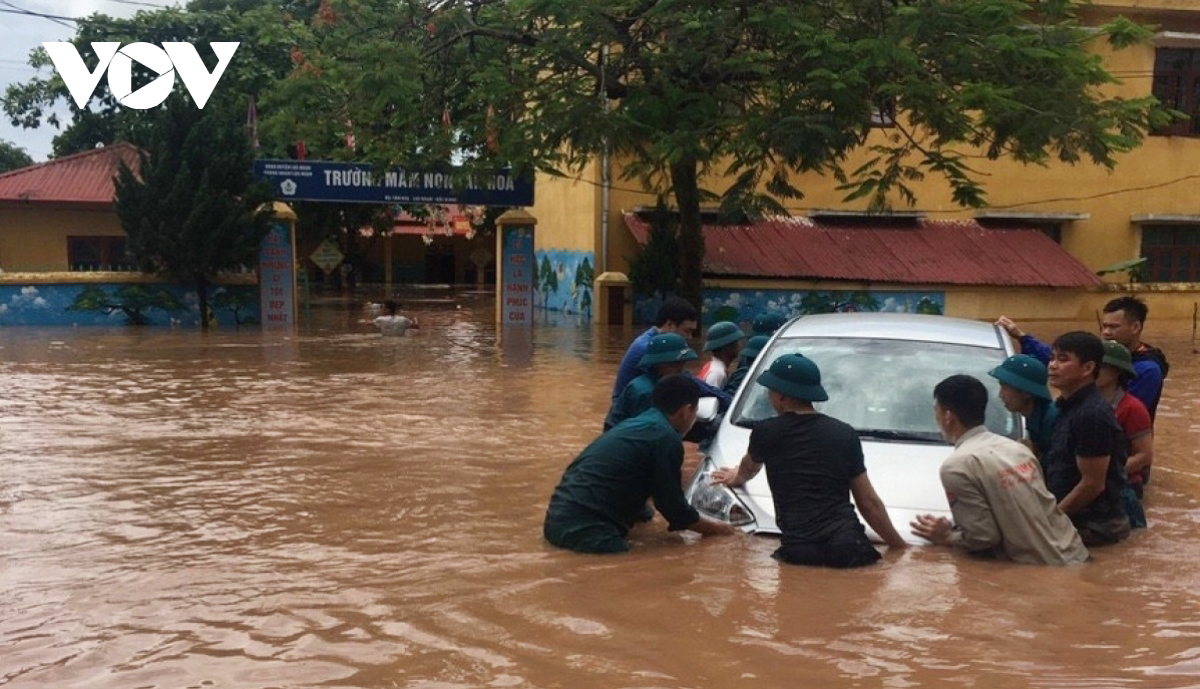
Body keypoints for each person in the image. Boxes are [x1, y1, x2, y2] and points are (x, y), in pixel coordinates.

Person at [711, 354, 907, 567]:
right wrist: (899, 546)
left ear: (781, 396)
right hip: (850, 546)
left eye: (770, 391)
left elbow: (749, 468)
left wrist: (735, 476)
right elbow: (868, 503)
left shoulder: (766, 432)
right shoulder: (844, 434)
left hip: (799, 551)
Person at [544, 375, 739, 554]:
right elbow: (673, 508)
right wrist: (720, 530)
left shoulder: (642, 423)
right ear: (686, 411)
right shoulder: (666, 438)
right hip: (587, 531)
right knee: (632, 569)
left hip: (557, 519)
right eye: (695, 411)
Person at [909, 375, 1090, 565]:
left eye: (936, 411)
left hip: (1039, 570)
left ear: (948, 417)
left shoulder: (956, 466)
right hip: (1076, 553)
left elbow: (983, 537)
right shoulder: (1018, 449)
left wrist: (946, 537)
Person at [997, 295, 1168, 420]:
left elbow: (1127, 414)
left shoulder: (1147, 370)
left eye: (1114, 327)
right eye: (1104, 326)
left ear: (1136, 327)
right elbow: (1065, 360)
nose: (1106, 332)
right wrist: (1022, 337)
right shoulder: (1099, 352)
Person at [1041, 331, 1132, 546]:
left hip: (1094, 526)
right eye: (1052, 358)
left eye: (1063, 359)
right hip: (1073, 519)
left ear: (1088, 368)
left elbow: (1092, 484)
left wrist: (1049, 521)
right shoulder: (1067, 407)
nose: (1053, 365)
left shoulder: (1091, 415)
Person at [1096, 341, 1152, 526]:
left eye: (1102, 366)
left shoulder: (1133, 408)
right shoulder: (1080, 403)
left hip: (1123, 485)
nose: (1094, 370)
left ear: (1117, 371)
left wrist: (1108, 473)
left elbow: (1144, 455)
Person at [610, 296, 698, 403]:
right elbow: (679, 382)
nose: (689, 338)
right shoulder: (647, 348)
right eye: (686, 331)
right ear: (669, 325)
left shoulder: (656, 341)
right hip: (632, 409)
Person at [604, 333, 697, 431]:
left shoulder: (674, 381)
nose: (680, 368)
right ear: (658, 364)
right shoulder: (646, 392)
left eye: (684, 362)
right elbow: (647, 432)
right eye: (674, 364)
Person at [987, 354, 1058, 459]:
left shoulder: (1052, 422)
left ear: (1026, 393)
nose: (1000, 395)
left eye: (1005, 388)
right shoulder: (1036, 419)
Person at [697, 321, 745, 389]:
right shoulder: (717, 374)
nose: (739, 346)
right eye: (736, 344)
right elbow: (710, 398)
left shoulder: (713, 366)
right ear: (727, 349)